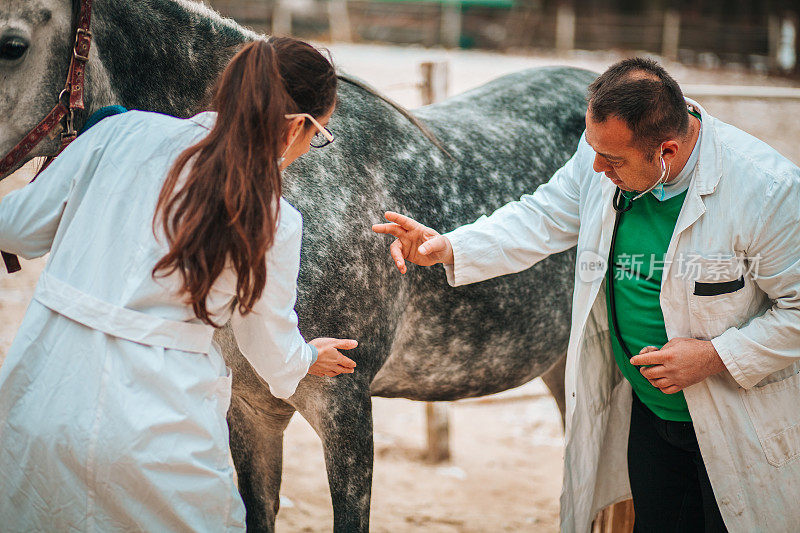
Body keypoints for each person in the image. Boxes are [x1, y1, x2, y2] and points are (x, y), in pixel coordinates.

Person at [373, 57, 800, 532]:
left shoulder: (768, 190)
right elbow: (545, 215)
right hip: (650, 413)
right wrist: (451, 246)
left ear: (667, 152)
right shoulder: (603, 152)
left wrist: (716, 356)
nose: (596, 168)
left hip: (735, 424)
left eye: (612, 160)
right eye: (593, 151)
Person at [0, 37, 357, 531]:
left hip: (40, 395)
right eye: (318, 137)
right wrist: (308, 358)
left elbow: (16, 229)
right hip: (156, 431)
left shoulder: (118, 132)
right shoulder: (272, 217)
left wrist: (80, 163)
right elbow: (269, 347)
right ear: (299, 126)